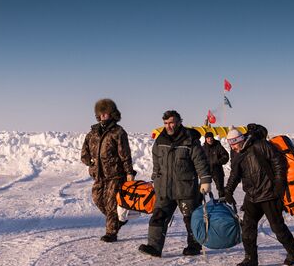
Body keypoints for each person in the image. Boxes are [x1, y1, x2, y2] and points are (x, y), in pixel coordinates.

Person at [221, 126, 294, 266]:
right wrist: (228, 191)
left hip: (269, 194)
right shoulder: (236, 153)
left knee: (277, 227)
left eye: (234, 144)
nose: (232, 148)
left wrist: (279, 185)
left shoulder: (260, 145)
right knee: (247, 227)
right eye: (230, 145)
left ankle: (293, 250)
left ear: (241, 140)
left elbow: (279, 163)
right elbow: (235, 173)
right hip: (252, 195)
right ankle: (251, 258)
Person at [138, 110, 212, 257]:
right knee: (158, 216)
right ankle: (154, 247)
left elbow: (200, 161)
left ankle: (194, 246)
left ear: (179, 122)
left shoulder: (189, 140)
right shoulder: (161, 139)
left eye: (171, 122)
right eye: (165, 123)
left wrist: (205, 180)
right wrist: (155, 178)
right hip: (164, 188)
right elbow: (156, 161)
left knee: (190, 219)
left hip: (185, 188)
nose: (168, 126)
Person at [81, 99, 136, 243]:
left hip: (115, 174)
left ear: (112, 114)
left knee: (112, 203)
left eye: (106, 113)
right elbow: (84, 153)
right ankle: (118, 220)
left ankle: (111, 232)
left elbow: (125, 154)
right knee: (98, 199)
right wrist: (90, 162)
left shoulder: (118, 132)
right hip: (99, 175)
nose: (103, 116)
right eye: (101, 114)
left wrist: (129, 172)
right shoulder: (92, 133)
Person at [202, 132, 230, 197]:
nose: (209, 140)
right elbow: (199, 159)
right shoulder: (203, 148)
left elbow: (226, 156)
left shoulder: (218, 146)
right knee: (203, 188)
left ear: (213, 138)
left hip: (217, 171)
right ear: (206, 139)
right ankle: (202, 205)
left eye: (211, 138)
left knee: (220, 189)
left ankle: (222, 203)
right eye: (208, 138)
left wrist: (217, 162)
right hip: (206, 171)